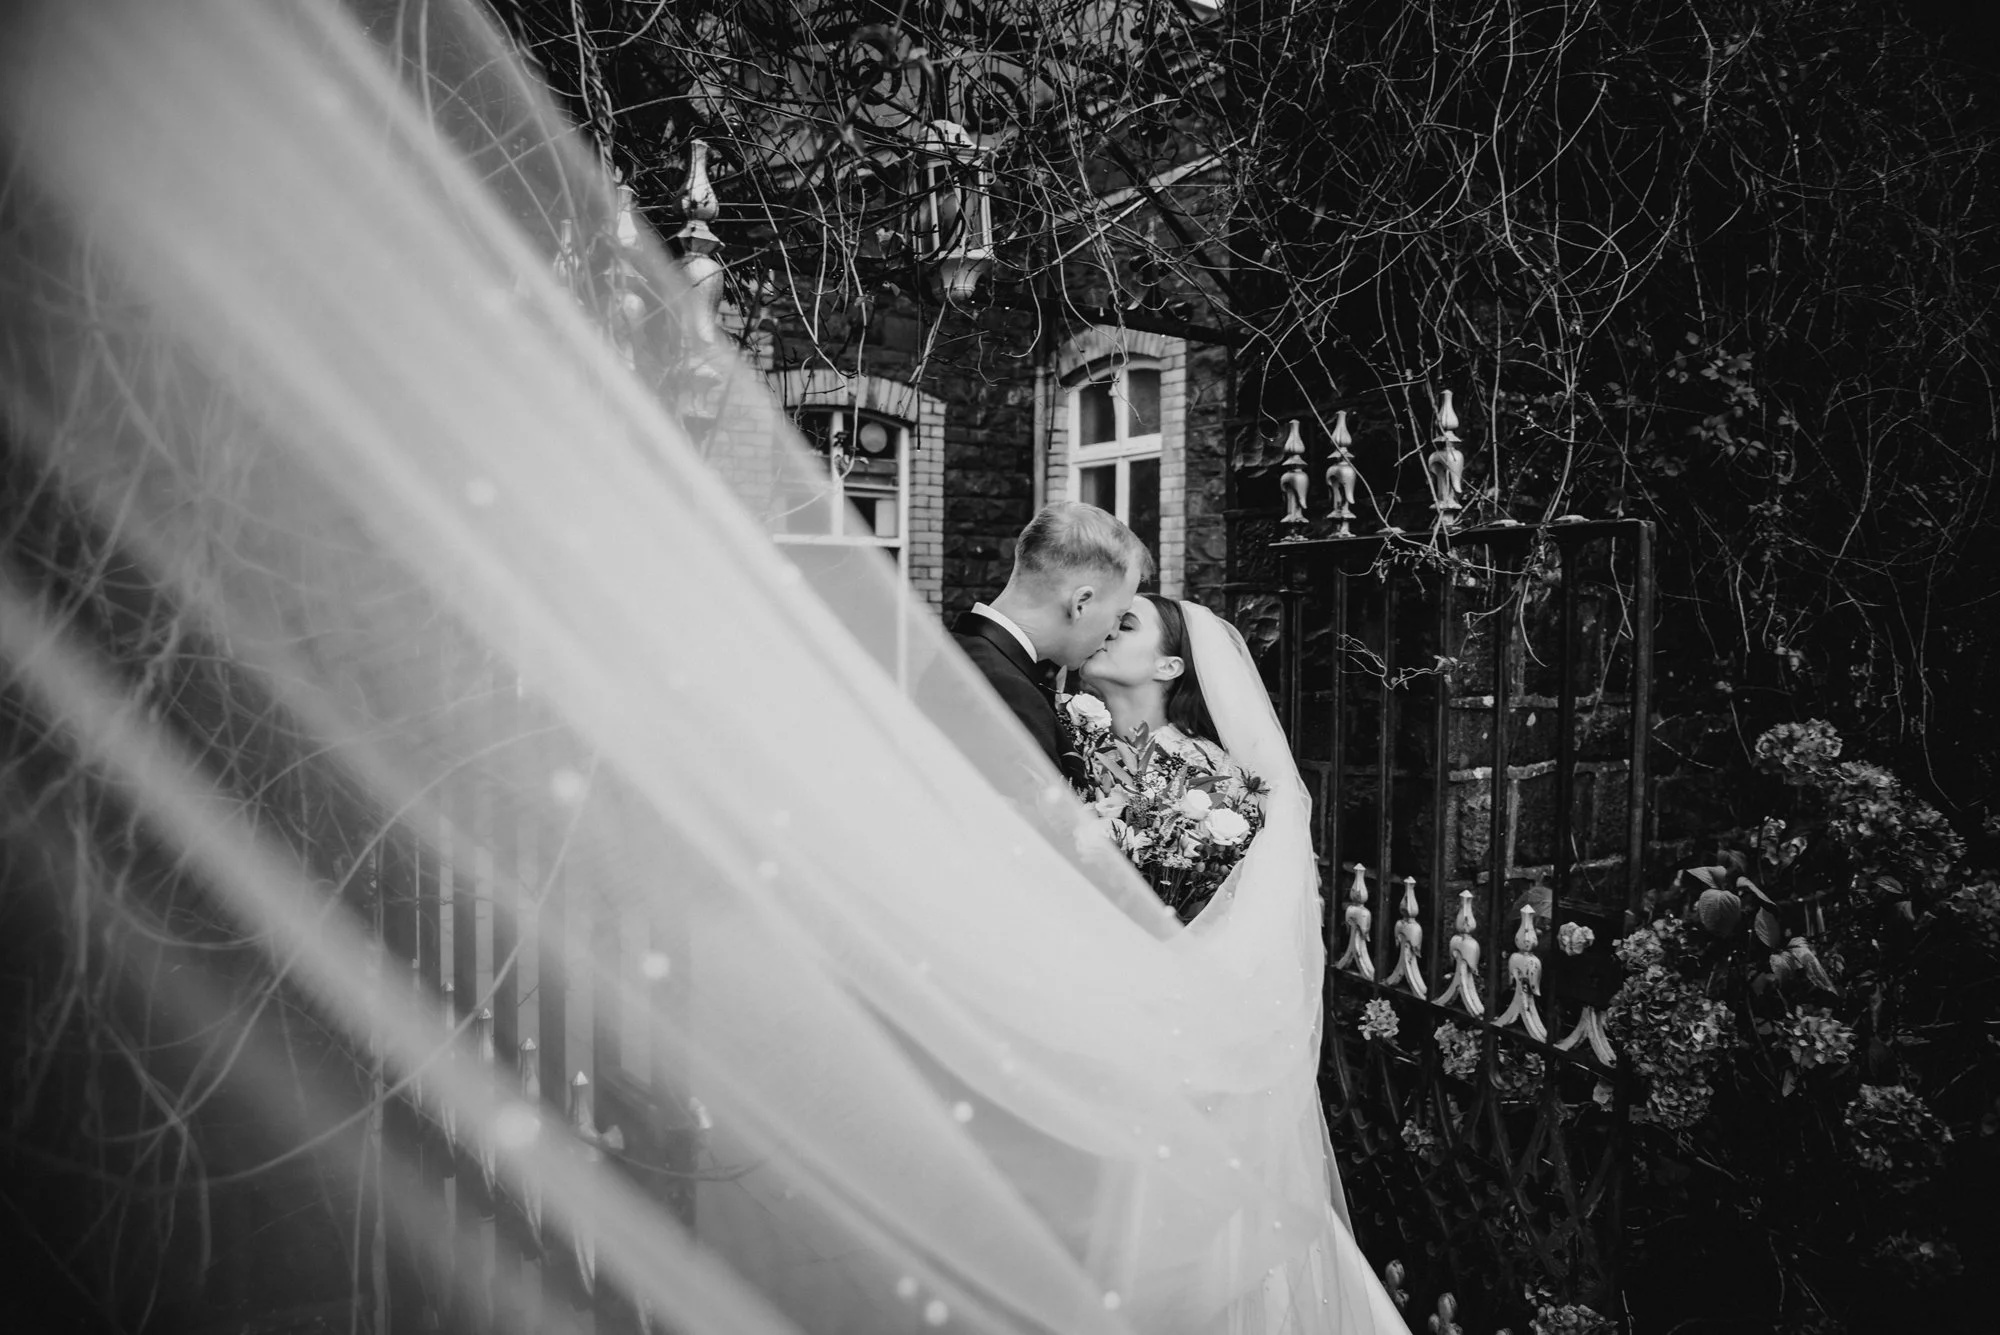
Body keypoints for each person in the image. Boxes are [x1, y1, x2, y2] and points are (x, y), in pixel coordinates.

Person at [949, 501, 1151, 778]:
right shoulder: (1005, 693)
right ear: (1081, 603)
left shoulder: (959, 652)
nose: (1114, 632)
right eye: (1119, 615)